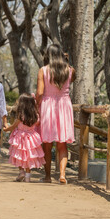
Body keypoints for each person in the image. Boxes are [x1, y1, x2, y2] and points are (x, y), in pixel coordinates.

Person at [36, 44, 76, 184]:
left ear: (48, 55)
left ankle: (47, 177)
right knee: (62, 144)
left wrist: (36, 105)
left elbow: (40, 93)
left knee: (47, 144)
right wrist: (67, 61)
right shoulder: (70, 70)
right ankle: (63, 175)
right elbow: (72, 79)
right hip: (65, 106)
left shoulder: (43, 71)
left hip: (48, 106)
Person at [3, 93, 45, 182]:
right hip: (31, 138)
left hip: (20, 137)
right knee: (29, 157)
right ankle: (28, 177)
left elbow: (13, 126)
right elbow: (37, 123)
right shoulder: (35, 115)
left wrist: (7, 129)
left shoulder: (20, 116)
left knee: (20, 155)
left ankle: (21, 172)